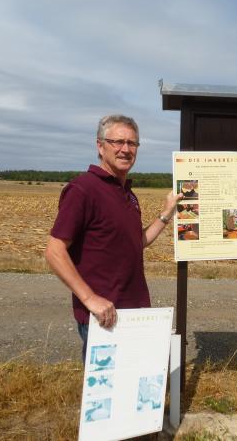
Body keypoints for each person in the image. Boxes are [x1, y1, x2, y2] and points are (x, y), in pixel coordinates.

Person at [45, 114, 182, 359]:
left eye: (132, 143)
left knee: (134, 387)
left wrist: (166, 213)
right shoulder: (82, 189)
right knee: (106, 393)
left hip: (134, 311)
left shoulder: (127, 194)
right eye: (117, 142)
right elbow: (54, 251)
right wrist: (90, 299)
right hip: (103, 316)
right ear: (100, 146)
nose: (125, 149)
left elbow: (137, 242)